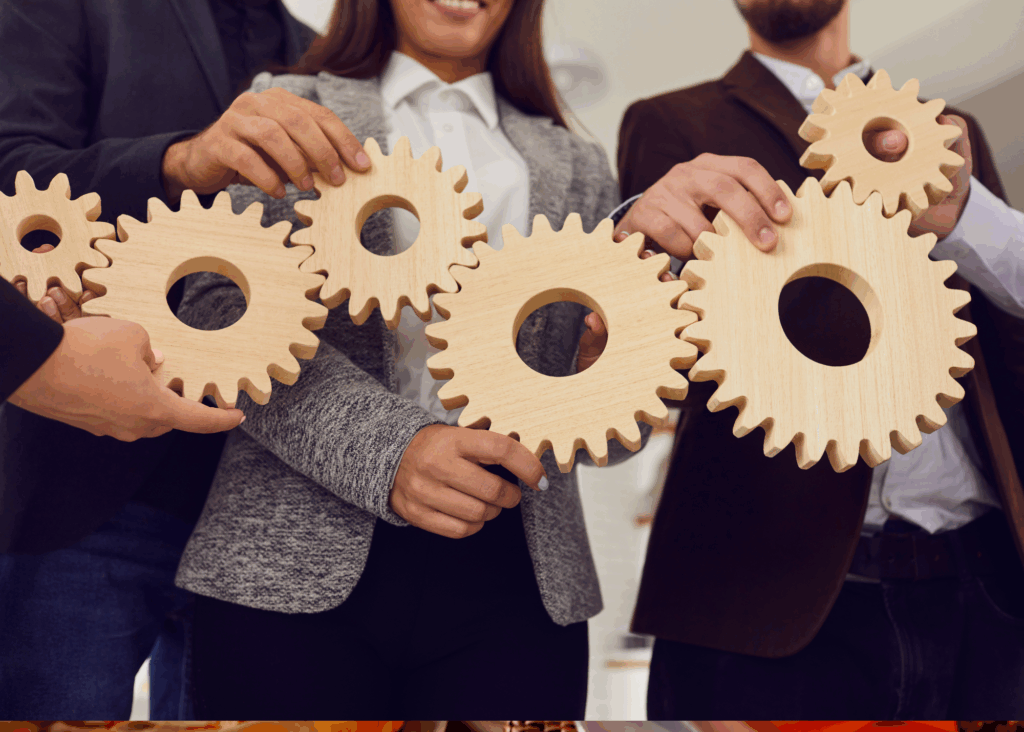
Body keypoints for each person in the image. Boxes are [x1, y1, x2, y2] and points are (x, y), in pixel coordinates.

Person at [156, 0, 791, 718]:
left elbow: (617, 432)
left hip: (520, 572)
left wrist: (608, 360)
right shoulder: (288, 106)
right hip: (288, 558)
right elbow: (218, 309)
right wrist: (394, 451)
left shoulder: (578, 161)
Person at [614, 0, 1024, 719]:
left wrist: (966, 218)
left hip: (985, 579)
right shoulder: (671, 121)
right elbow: (660, 354)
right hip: (780, 590)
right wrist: (637, 240)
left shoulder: (950, 130)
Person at [0, 0, 319, 718]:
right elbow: (9, 173)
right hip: (89, 492)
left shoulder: (330, 51)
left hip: (270, 524)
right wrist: (177, 163)